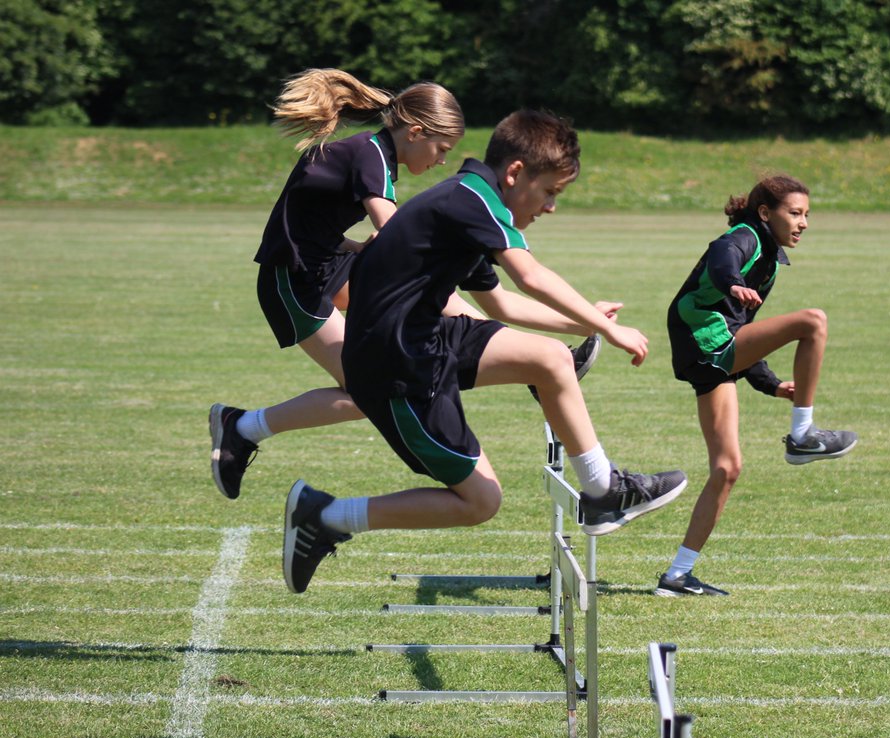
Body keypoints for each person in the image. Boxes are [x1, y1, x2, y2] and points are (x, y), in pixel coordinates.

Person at [281, 109, 687, 594]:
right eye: (550, 193)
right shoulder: (471, 200)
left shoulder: (469, 200)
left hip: (425, 337)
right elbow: (530, 278)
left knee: (552, 358)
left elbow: (498, 302)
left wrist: (586, 322)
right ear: (516, 173)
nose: (551, 207)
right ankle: (325, 516)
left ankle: (603, 492)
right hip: (397, 367)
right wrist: (607, 329)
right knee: (481, 502)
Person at [209, 69, 599, 500]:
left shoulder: (376, 155)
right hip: (295, 279)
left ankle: (535, 359)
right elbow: (393, 233)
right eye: (441, 148)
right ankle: (242, 427)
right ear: (415, 132)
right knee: (365, 386)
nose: (442, 160)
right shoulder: (372, 157)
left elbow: (312, 216)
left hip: (330, 262)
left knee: (421, 302)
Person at [656, 175, 857, 597]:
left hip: (713, 356)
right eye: (795, 213)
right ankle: (802, 434)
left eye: (807, 215)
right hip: (706, 346)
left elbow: (740, 325)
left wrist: (769, 384)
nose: (803, 223)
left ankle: (677, 575)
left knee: (727, 469)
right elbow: (722, 255)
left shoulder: (770, 257)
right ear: (766, 213)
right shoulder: (746, 237)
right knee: (813, 321)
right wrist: (731, 280)